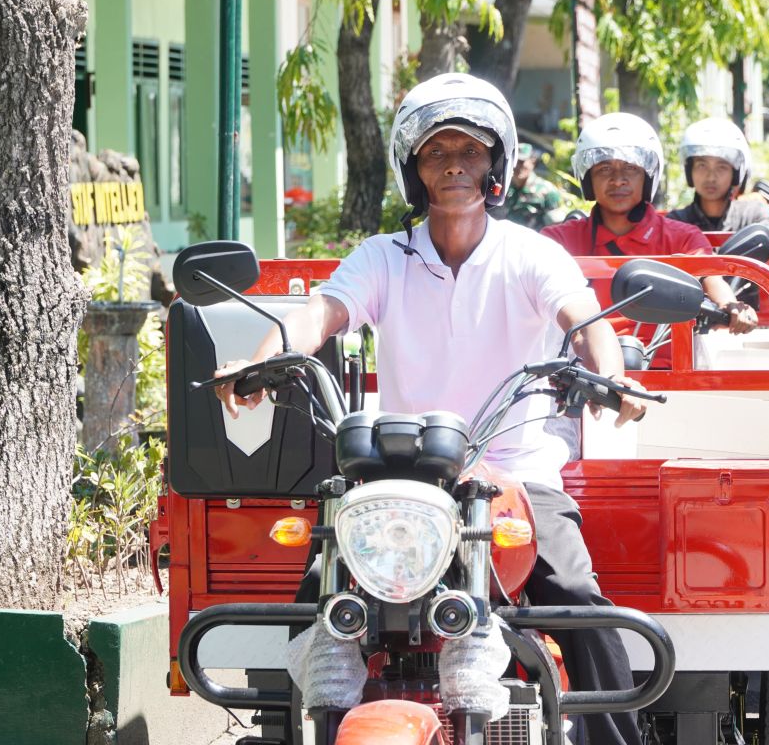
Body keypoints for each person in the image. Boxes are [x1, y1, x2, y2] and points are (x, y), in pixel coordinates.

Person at [215, 73, 650, 744]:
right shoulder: (383, 258)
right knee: (318, 593)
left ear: (495, 164)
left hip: (515, 473)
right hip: (402, 477)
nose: (453, 165)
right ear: (413, 171)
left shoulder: (531, 255)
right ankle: (297, 727)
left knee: (575, 595)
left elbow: (583, 319)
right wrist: (259, 360)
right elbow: (321, 312)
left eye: (470, 150)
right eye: (436, 152)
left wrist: (611, 377)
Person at [541, 112, 758, 369]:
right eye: (604, 169)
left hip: (666, 374)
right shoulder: (558, 240)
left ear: (648, 177)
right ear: (588, 179)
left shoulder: (682, 237)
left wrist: (730, 305)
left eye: (631, 168)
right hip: (580, 374)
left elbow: (710, 278)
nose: (617, 180)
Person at [668, 117, 769, 232]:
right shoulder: (675, 223)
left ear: (735, 174)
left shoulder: (754, 217)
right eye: (702, 165)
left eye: (721, 167)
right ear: (690, 170)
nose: (711, 177)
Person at [501, 142, 564, 230]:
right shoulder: (503, 187)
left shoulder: (547, 191)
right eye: (514, 161)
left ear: (533, 162)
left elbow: (556, 227)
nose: (517, 166)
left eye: (521, 162)